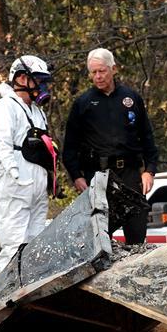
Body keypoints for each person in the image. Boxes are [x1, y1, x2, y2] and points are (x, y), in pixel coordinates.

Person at [63, 48, 158, 244]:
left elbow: (147, 136)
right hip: (98, 176)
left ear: (113, 69)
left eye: (102, 71)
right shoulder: (83, 103)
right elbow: (70, 146)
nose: (98, 76)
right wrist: (76, 175)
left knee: (136, 229)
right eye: (93, 72)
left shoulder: (131, 99)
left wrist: (150, 170)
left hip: (130, 173)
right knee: (99, 235)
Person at [0, 55, 55, 272]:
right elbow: (3, 144)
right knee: (14, 241)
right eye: (38, 80)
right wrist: (13, 171)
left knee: (35, 242)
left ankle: (30, 291)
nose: (42, 86)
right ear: (22, 78)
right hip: (15, 184)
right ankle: (7, 294)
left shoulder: (38, 112)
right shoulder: (4, 107)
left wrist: (50, 178)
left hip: (37, 185)